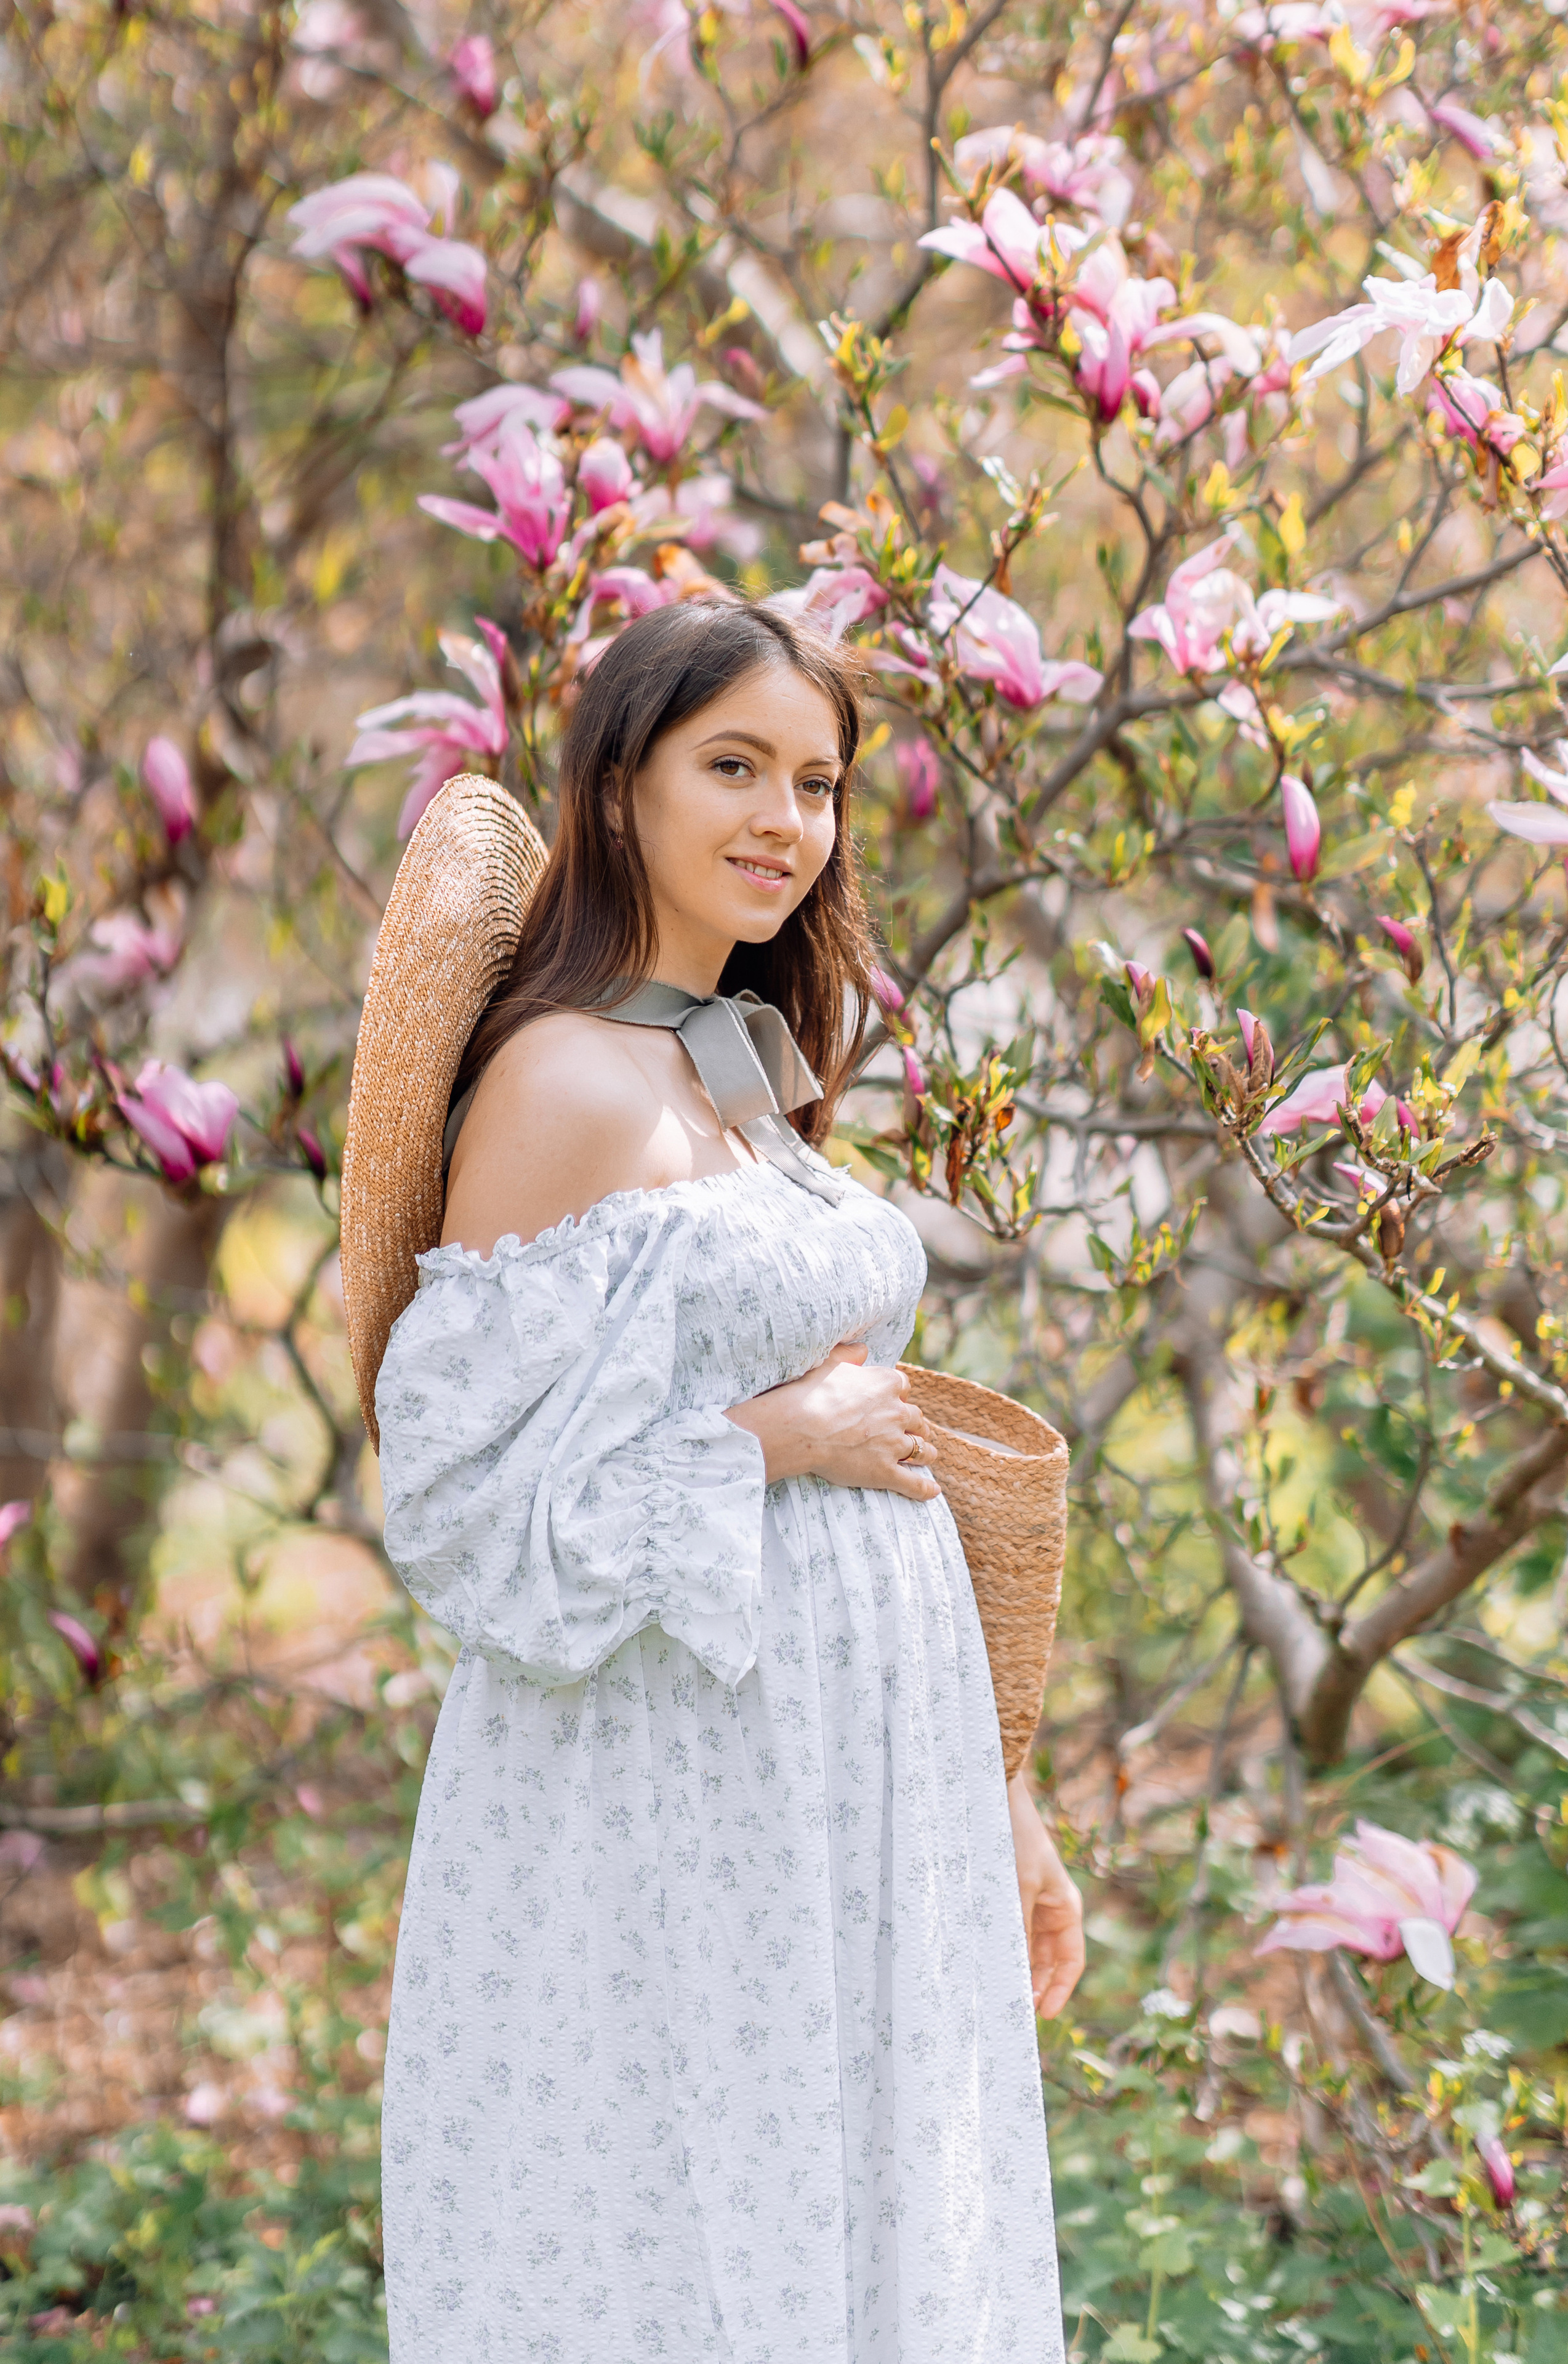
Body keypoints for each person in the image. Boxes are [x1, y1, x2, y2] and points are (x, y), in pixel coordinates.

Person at [374, 598, 1084, 2362]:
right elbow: (460, 1512)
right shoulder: (559, 1085)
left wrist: (1000, 1793)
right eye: (737, 767)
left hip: (857, 1772)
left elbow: (873, 1448)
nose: (787, 818)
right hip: (672, 1789)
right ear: (624, 785)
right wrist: (772, 1443)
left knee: (859, 2214)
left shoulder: (740, 1063)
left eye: (820, 783)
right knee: (689, 2236)